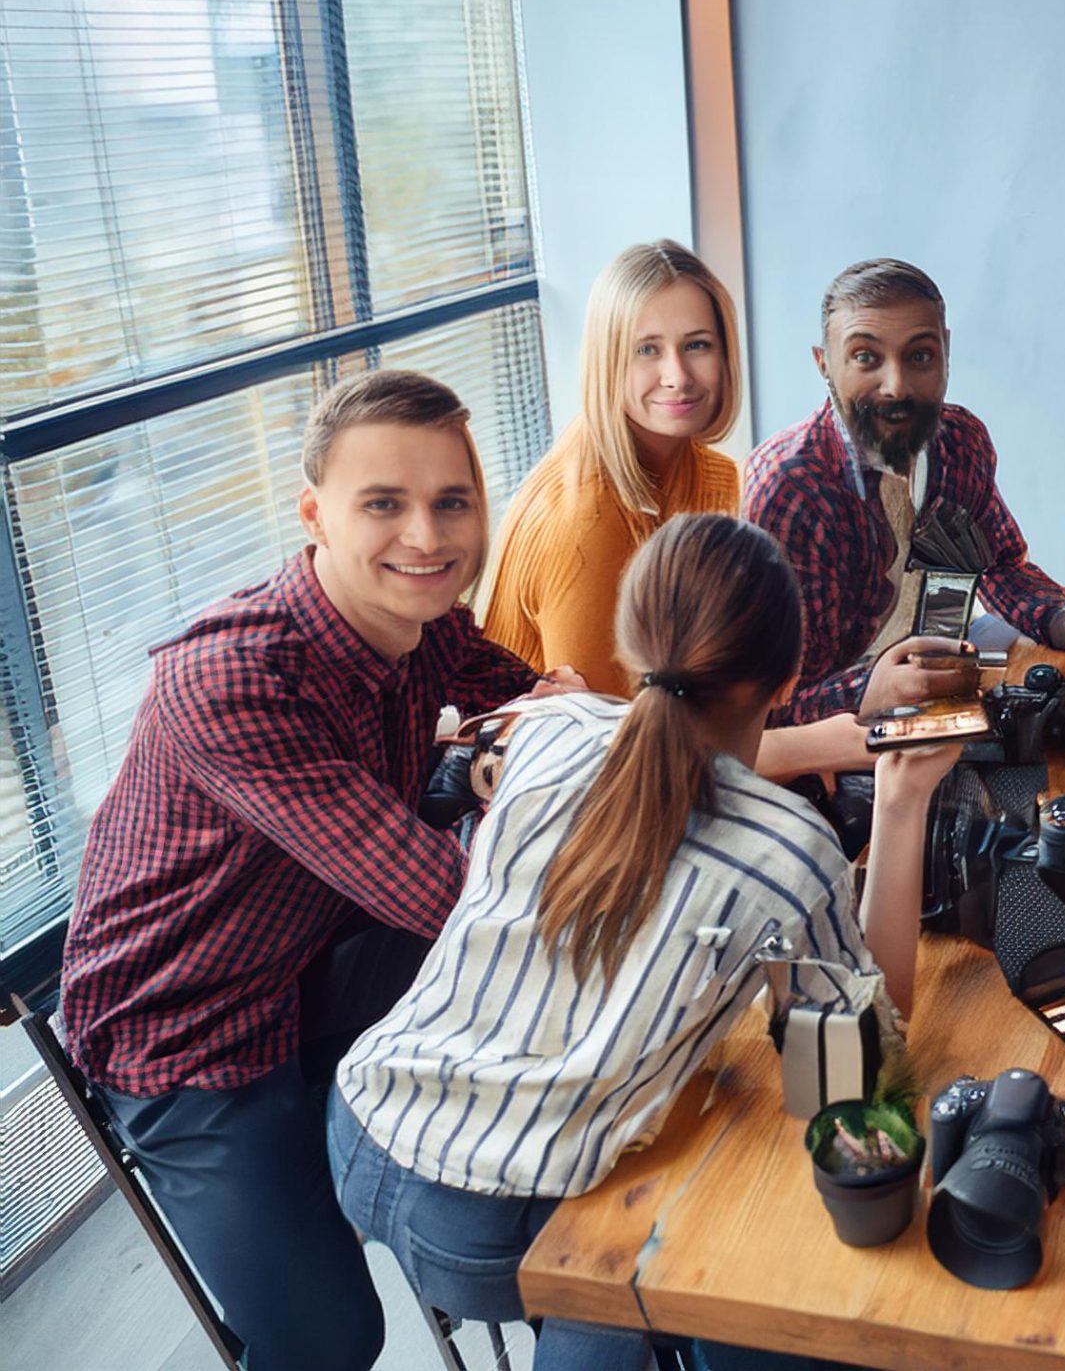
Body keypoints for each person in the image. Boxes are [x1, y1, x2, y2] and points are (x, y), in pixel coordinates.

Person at [332, 512, 959, 1371]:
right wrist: (901, 803)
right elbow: (850, 1073)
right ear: (785, 678)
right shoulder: (785, 853)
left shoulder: (548, 732)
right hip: (495, 1221)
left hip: (360, 1131)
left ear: (633, 647)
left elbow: (619, 759)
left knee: (690, 1102)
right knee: (730, 1191)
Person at [56, 369, 563, 1371]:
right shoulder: (232, 677)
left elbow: (547, 697)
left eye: (450, 500)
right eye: (384, 502)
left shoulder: (423, 624)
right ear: (313, 513)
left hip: (315, 962)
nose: (427, 534)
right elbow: (444, 892)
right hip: (188, 1029)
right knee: (331, 1336)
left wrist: (553, 719)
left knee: (552, 1129)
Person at [746, 258, 1065, 728]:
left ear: (946, 352)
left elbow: (998, 565)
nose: (896, 386)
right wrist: (873, 689)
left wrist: (1062, 619)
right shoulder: (792, 490)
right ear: (824, 364)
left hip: (940, 680)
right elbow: (765, 706)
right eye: (866, 358)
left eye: (919, 356)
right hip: (832, 734)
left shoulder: (959, 442)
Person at [482, 239, 744, 695]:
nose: (677, 376)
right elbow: (614, 747)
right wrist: (823, 743)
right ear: (607, 361)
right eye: (647, 350)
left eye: (697, 345)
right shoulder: (585, 524)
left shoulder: (711, 474)